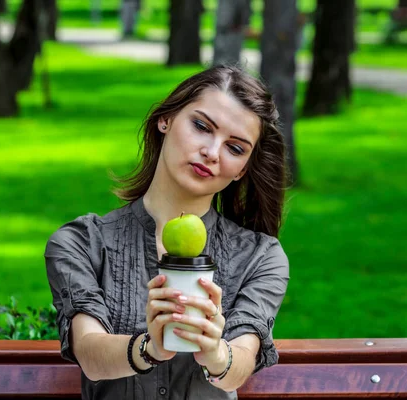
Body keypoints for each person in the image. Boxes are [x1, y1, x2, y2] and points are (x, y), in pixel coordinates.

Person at [44, 65, 290, 399]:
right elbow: (90, 352)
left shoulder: (261, 256)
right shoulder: (82, 243)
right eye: (201, 126)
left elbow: (241, 361)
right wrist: (149, 348)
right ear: (166, 120)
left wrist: (216, 354)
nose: (212, 152)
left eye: (234, 148)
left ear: (242, 170)